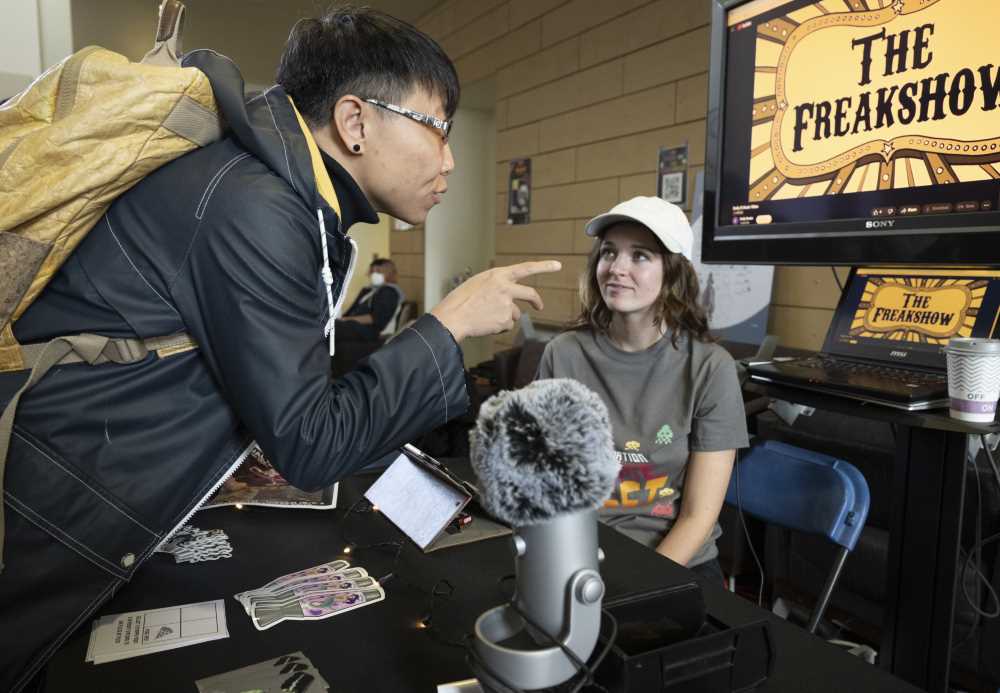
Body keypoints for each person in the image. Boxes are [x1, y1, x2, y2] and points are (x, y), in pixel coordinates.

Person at [0, 8, 558, 691]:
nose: (450, 159)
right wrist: (446, 325)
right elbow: (312, 442)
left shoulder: (270, 190)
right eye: (438, 128)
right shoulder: (256, 205)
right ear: (355, 122)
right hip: (48, 512)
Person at [536, 196, 748, 582]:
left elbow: (699, 516)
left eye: (640, 256)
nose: (616, 268)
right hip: (579, 552)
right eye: (608, 253)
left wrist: (637, 586)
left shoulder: (710, 368)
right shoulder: (563, 354)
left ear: (673, 273)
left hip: (674, 563)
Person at [338, 258, 405, 341]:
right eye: (372, 271)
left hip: (372, 332)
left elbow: (376, 319)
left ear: (389, 273)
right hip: (354, 326)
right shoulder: (367, 290)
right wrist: (340, 319)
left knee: (334, 329)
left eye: (378, 272)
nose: (374, 275)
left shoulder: (389, 292)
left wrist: (345, 320)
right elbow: (351, 311)